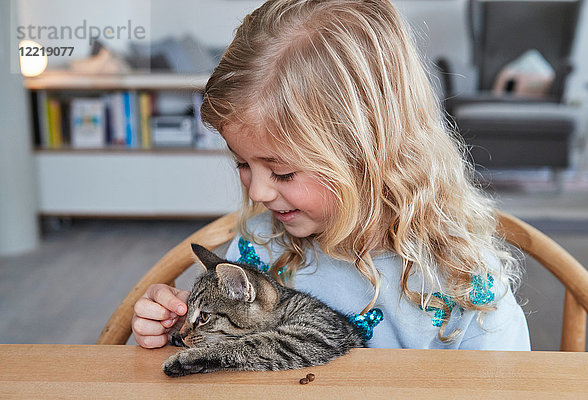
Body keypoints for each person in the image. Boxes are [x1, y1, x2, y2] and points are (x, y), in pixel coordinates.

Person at [132, 0, 530, 350]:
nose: (258, 191)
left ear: (366, 154)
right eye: (242, 164)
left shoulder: (463, 281)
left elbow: (509, 386)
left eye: (283, 172)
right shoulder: (259, 250)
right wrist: (172, 329)